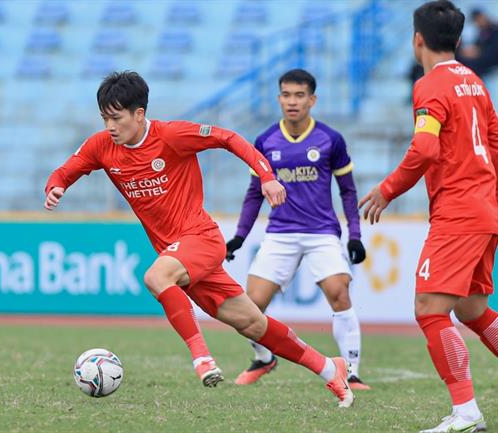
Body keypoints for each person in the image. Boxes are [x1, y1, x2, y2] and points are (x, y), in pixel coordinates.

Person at [45, 71, 355, 407]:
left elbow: (229, 138)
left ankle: (202, 358)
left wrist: (267, 176)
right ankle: (329, 368)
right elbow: (67, 169)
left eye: (116, 118)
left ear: (139, 114)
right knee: (251, 323)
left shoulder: (172, 135)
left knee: (156, 276)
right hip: (177, 254)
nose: (109, 126)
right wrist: (56, 186)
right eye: (104, 117)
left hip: (200, 238)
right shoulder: (102, 146)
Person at [359, 1, 498, 431]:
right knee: (473, 308)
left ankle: (465, 411)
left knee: (429, 308)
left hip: (459, 212)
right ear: (458, 40)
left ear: (417, 39)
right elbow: (494, 139)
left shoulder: (431, 86)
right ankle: (465, 410)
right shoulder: (473, 80)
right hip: (485, 207)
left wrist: (387, 190)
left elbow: (425, 148)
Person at [225, 68, 370, 390]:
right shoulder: (265, 140)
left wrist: (355, 235)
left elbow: (348, 190)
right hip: (280, 234)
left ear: (312, 99)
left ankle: (352, 371)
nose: (293, 102)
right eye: (287, 95)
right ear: (279, 98)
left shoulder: (331, 139)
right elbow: (254, 193)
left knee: (339, 292)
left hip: (321, 233)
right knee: (248, 306)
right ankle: (264, 357)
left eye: (299, 95)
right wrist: (239, 237)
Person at [457, 8, 498, 77]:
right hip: (483, 58)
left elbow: (494, 51)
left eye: (477, 20)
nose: (477, 23)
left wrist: (478, 52)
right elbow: (477, 45)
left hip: (490, 61)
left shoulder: (495, 30)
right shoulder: (483, 32)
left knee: (469, 64)